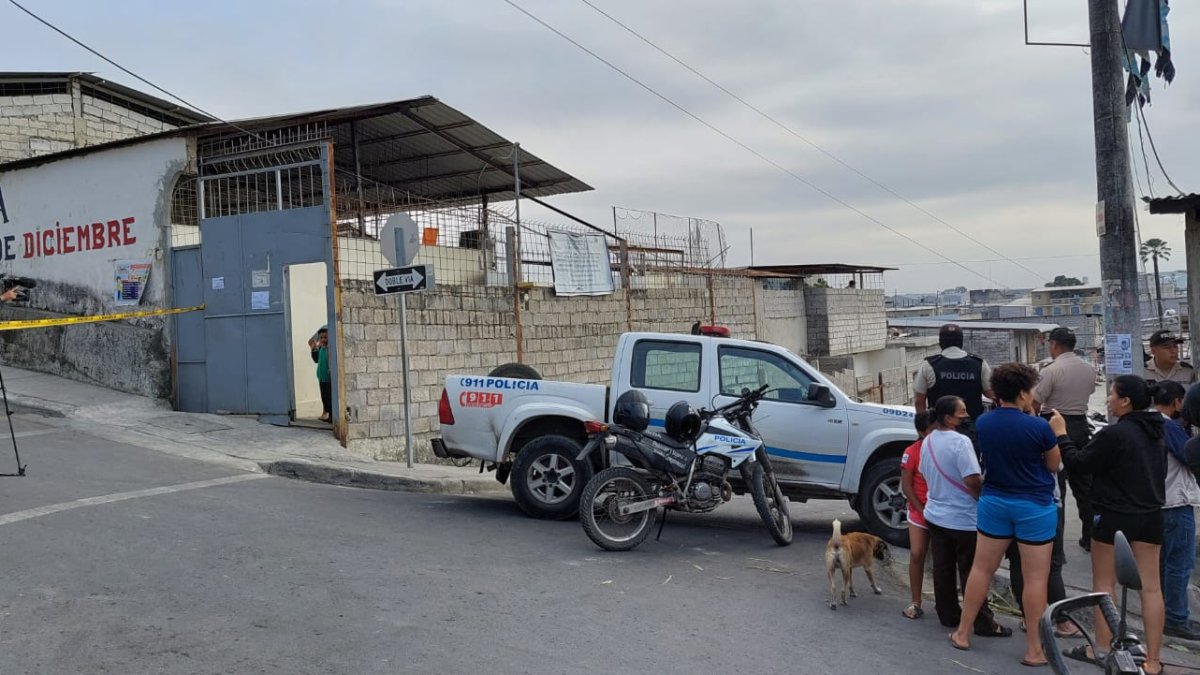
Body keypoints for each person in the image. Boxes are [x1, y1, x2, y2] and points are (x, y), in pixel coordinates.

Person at [949, 363, 1060, 667]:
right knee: (1035, 578)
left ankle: (962, 632)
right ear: (1024, 392)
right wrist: (1048, 428)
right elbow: (1053, 466)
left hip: (994, 502)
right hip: (1034, 506)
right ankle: (1034, 650)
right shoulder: (1039, 427)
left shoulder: (985, 423)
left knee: (981, 569)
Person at [1059, 375, 1167, 675]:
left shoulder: (1116, 434)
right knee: (1152, 588)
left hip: (1114, 515)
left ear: (1125, 401)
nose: (1108, 399)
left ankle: (1102, 648)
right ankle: (1154, 661)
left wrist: (1061, 435)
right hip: (1151, 515)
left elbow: (1080, 463)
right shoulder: (1158, 430)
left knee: (1104, 585)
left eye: (1112, 394)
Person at [921, 395, 1010, 638]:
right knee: (973, 571)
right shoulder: (960, 442)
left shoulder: (927, 441)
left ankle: (948, 614)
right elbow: (972, 479)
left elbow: (925, 472)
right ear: (949, 418)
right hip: (963, 517)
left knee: (942, 568)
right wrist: (982, 497)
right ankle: (983, 622)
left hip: (936, 514)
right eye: (961, 411)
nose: (966, 414)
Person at [1032, 326, 1098, 551]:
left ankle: (1056, 542)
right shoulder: (1089, 369)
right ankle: (1090, 537)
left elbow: (1035, 403)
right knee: (1085, 486)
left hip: (1054, 424)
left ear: (1054, 345)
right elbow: (1088, 393)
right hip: (1081, 426)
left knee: (1056, 488)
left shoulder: (1051, 370)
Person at [1153, 381, 1200, 640]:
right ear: (1178, 403)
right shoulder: (1169, 427)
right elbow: (1189, 456)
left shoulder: (1147, 422)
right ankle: (1176, 619)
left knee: (1162, 564)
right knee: (1179, 565)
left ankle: (1164, 613)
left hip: (1157, 503)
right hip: (1176, 503)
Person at [913, 324, 994, 451]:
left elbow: (919, 401)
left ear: (940, 342)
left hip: (940, 429)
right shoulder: (979, 363)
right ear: (961, 341)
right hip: (971, 429)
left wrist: (923, 429)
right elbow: (992, 395)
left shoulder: (929, 364)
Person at [899, 410, 933, 620]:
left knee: (943, 559)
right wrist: (921, 509)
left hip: (941, 512)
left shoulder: (945, 448)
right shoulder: (912, 452)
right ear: (921, 431)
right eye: (932, 430)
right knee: (917, 553)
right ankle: (915, 601)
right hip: (920, 512)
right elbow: (906, 485)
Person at [308, 326, 332, 422]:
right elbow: (316, 360)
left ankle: (332, 417)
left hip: (328, 378)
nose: (323, 339)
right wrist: (313, 349)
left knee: (330, 398)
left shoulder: (330, 349)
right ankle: (329, 416)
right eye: (321, 337)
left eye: (325, 337)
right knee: (325, 398)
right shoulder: (321, 348)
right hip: (321, 377)